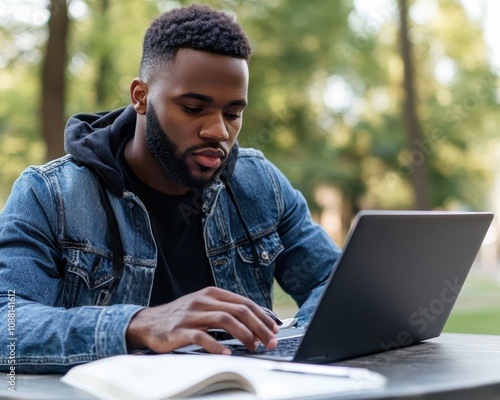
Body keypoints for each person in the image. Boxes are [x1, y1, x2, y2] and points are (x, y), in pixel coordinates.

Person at [0, 4, 340, 373]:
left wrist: (295, 341)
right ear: (141, 97)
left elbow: (337, 282)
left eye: (232, 113)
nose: (218, 132)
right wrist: (138, 325)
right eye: (194, 108)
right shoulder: (50, 195)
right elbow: (7, 324)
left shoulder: (261, 184)